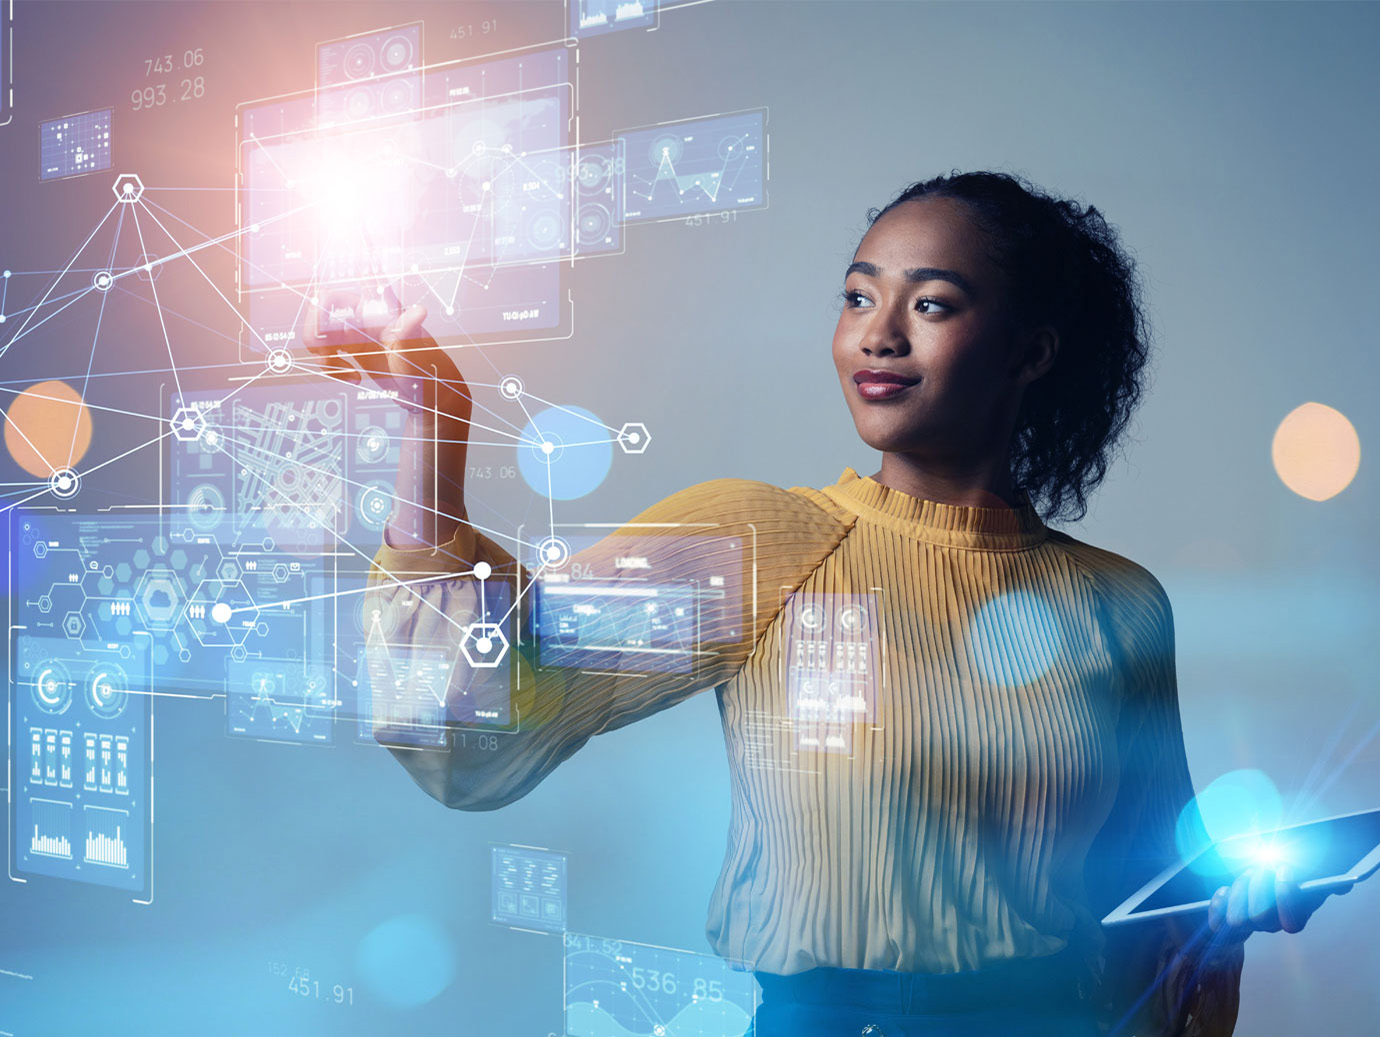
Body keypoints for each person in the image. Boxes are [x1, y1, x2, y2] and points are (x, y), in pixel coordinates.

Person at [304, 171, 1349, 1036]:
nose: (877, 334)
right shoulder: (762, 542)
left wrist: (1240, 910)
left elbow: (1160, 898)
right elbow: (475, 720)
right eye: (858, 296)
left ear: (1031, 351)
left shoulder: (1121, 604)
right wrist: (430, 430)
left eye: (930, 303)